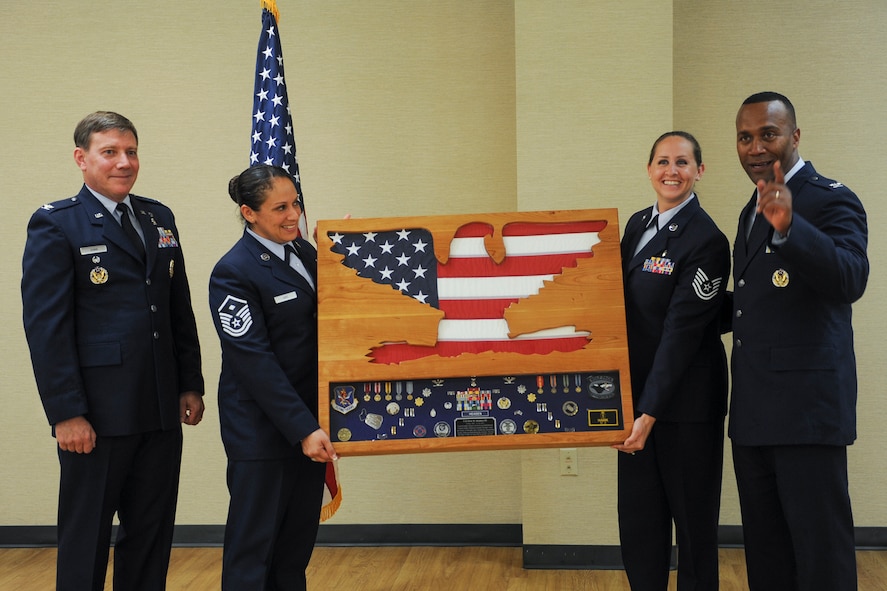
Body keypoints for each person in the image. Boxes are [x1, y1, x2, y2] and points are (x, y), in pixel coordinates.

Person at [21, 111, 205, 590]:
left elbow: (175, 308)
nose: (124, 162)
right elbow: (47, 329)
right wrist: (66, 413)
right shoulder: (56, 224)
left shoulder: (157, 217)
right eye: (110, 152)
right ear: (82, 160)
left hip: (160, 406)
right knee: (86, 537)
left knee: (150, 535)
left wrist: (190, 383)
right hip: (96, 416)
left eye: (131, 151)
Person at [729, 92, 868, 590]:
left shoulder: (830, 197)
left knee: (821, 560)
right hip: (753, 419)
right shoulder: (751, 206)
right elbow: (753, 303)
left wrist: (792, 227)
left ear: (795, 136)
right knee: (768, 562)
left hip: (807, 418)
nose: (756, 147)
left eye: (769, 133)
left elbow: (852, 277)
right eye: (745, 137)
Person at [209, 164, 338, 591]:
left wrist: (346, 251)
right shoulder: (233, 271)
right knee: (254, 551)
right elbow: (254, 362)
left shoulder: (304, 253)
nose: (293, 215)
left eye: (295, 203)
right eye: (279, 207)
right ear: (249, 213)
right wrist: (303, 429)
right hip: (263, 432)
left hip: (307, 422)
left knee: (293, 550)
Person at [613, 131, 730, 590]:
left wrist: (649, 412)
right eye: (662, 161)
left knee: (695, 530)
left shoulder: (707, 241)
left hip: (684, 408)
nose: (671, 171)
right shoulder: (638, 225)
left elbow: (681, 333)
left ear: (699, 171)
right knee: (640, 524)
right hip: (638, 399)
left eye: (683, 162)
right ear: (648, 169)